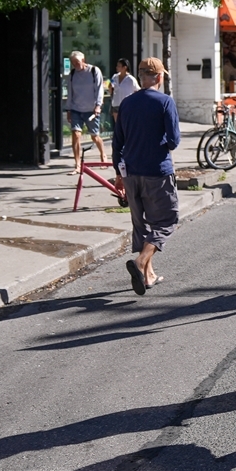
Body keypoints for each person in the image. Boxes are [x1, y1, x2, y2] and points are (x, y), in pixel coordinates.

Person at [113, 58, 181, 295]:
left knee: (141, 224)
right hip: (157, 172)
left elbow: (117, 141)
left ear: (140, 77)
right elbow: (173, 140)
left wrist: (117, 173)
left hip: (131, 171)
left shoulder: (127, 103)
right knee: (166, 221)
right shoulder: (165, 102)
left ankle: (148, 275)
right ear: (159, 78)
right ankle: (142, 262)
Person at [67, 51, 106, 174]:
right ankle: (78, 165)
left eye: (77, 62)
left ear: (83, 60)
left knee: (94, 136)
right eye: (73, 63)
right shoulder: (72, 74)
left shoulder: (94, 71)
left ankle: (103, 155)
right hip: (76, 109)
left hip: (91, 109)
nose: (75, 65)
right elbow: (70, 92)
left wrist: (98, 105)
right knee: (76, 135)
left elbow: (100, 89)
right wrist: (68, 109)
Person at [110, 58, 140, 123]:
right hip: (116, 104)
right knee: (117, 124)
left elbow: (137, 91)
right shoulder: (114, 77)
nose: (117, 67)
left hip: (127, 105)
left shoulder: (131, 79)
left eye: (119, 66)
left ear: (124, 67)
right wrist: (110, 87)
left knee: (126, 123)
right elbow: (111, 88)